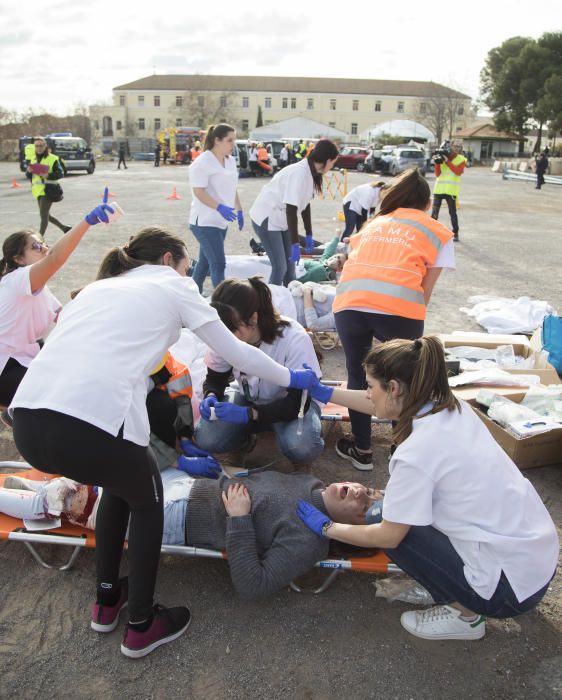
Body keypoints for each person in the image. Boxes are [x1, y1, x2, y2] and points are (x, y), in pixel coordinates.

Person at [10, 227, 318, 659]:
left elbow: (133, 376)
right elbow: (238, 353)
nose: (190, 272)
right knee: (147, 499)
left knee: (123, 485)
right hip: (86, 424)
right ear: (172, 259)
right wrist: (293, 379)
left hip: (28, 421)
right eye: (188, 265)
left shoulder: (99, 289)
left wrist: (174, 441)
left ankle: (106, 601)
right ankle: (140, 624)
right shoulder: (173, 284)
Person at [296, 336, 559, 641]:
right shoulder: (449, 407)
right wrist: (325, 391)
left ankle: (466, 616)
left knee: (380, 518)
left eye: (370, 386)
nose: (368, 393)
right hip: (534, 557)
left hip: (509, 591)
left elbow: (387, 535)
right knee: (397, 507)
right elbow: (376, 404)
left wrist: (328, 528)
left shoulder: (416, 453)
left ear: (394, 387)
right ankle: (451, 583)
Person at [0, 467, 379, 601]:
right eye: (369, 488)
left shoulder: (309, 542)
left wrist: (239, 518)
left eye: (365, 507)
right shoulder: (311, 482)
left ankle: (35, 502)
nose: (361, 492)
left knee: (70, 498)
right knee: (97, 477)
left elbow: (253, 586)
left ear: (355, 531)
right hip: (183, 484)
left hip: (177, 519)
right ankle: (37, 495)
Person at [332, 168, 455, 471]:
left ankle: (362, 449)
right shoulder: (436, 230)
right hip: (399, 307)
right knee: (403, 378)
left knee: (358, 374)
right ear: (428, 204)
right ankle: (400, 448)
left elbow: (351, 262)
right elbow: (424, 292)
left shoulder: (372, 224)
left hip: (350, 302)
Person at [0, 192, 114, 408]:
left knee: (68, 358)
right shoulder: (17, 281)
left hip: (21, 356)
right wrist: (87, 221)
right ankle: (18, 413)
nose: (44, 248)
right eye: (35, 247)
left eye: (43, 243)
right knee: (59, 388)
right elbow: (55, 259)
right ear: (18, 259)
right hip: (5, 366)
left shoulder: (38, 287)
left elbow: (65, 315)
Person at [194, 276, 324, 464]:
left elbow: (297, 402)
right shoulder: (225, 336)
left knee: (301, 446)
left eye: (232, 328)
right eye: (222, 329)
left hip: (292, 403)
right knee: (207, 438)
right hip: (249, 397)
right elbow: (215, 379)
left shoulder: (294, 339)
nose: (226, 337)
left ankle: (284, 438)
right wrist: (211, 395)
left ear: (253, 318)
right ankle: (243, 440)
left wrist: (250, 414)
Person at [249, 139, 339, 286]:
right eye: (333, 163)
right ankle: (271, 303)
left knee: (290, 269)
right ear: (328, 160)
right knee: (280, 267)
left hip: (282, 219)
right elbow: (291, 210)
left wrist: (309, 234)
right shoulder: (299, 173)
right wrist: (296, 244)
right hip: (267, 218)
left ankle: (290, 301)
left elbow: (305, 205)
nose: (332, 166)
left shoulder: (311, 172)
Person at [189, 124, 244, 294]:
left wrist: (239, 210)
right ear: (217, 141)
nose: (232, 144)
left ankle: (191, 294)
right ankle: (224, 304)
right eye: (229, 140)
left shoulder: (230, 161)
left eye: (233, 140)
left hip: (221, 222)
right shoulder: (203, 162)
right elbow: (198, 190)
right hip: (204, 222)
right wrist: (219, 207)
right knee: (218, 264)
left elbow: (232, 188)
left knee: (204, 263)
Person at [25, 136, 71, 239]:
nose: (39, 148)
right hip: (37, 191)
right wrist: (28, 171)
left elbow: (60, 173)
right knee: (46, 215)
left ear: (45, 146)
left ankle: (39, 238)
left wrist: (48, 175)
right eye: (36, 146)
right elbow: (29, 176)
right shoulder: (33, 158)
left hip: (48, 191)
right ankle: (64, 228)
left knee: (43, 216)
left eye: (41, 146)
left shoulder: (53, 158)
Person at [431, 140, 467, 242]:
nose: (457, 148)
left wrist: (447, 161)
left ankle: (455, 232)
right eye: (455, 146)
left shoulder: (461, 159)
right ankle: (431, 232)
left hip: (451, 191)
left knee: (452, 213)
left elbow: (458, 172)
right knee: (434, 213)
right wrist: (437, 163)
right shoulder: (441, 156)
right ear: (450, 146)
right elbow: (437, 174)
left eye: (459, 147)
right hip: (439, 189)